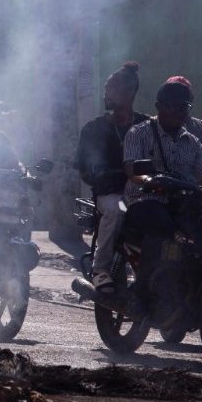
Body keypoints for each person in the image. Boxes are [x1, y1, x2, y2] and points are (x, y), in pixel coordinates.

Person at [122, 78, 202, 314]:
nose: (181, 112)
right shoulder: (139, 133)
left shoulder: (192, 141)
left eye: (185, 107)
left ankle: (191, 290)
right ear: (159, 106)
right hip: (144, 200)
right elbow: (132, 169)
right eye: (176, 106)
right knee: (162, 227)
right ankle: (140, 293)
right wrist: (150, 181)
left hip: (180, 203)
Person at [75, 62, 150, 289]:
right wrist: (105, 177)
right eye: (106, 88)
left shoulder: (147, 125)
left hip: (142, 193)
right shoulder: (94, 128)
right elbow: (85, 168)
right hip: (110, 194)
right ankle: (100, 269)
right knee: (117, 211)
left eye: (111, 88)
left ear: (128, 93)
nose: (105, 93)